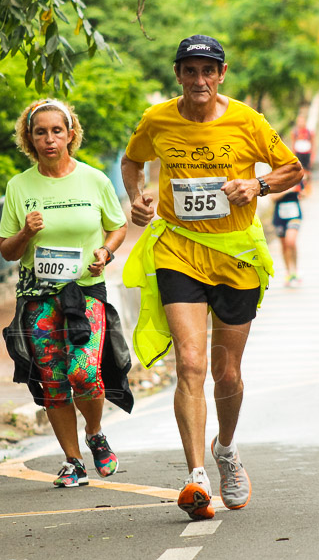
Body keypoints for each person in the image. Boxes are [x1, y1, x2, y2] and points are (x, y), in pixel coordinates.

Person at [121, 35, 303, 520]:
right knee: (190, 363)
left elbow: (292, 168)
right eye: (190, 71)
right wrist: (138, 196)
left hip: (236, 255)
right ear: (178, 74)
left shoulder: (247, 120)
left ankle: (226, 449)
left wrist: (257, 184)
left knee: (227, 372)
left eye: (208, 71)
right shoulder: (157, 119)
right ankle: (196, 475)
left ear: (221, 74)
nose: (199, 80)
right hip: (178, 250)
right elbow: (131, 160)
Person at [0, 98, 131, 489]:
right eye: (40, 132)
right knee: (53, 379)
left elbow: (117, 226)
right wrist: (26, 232)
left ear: (71, 135)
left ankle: (94, 431)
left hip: (86, 292)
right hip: (38, 296)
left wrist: (105, 253)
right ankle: (72, 461)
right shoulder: (19, 186)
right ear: (30, 139)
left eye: (57, 130)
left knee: (83, 371)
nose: (49, 139)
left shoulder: (94, 180)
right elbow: (7, 250)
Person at [271, 181, 304, 286]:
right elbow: (273, 198)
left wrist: (301, 193)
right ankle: (288, 271)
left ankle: (295, 269)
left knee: (291, 241)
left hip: (294, 215)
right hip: (280, 216)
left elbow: (304, 192)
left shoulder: (297, 177)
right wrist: (287, 190)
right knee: (285, 245)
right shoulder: (275, 180)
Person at [292, 113, 314, 195]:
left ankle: (308, 188)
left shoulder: (309, 132)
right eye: (299, 121)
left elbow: (313, 144)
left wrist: (312, 156)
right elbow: (293, 144)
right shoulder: (295, 132)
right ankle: (300, 189)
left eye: (302, 121)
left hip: (307, 153)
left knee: (308, 172)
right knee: (299, 172)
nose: (300, 123)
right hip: (298, 153)